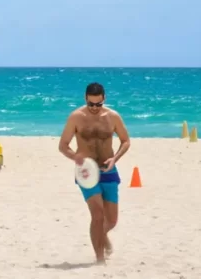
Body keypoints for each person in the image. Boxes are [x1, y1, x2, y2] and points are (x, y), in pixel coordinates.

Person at [58, 82, 131, 265]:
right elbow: (63, 146)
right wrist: (75, 157)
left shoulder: (113, 117)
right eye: (91, 104)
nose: (94, 108)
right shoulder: (76, 117)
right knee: (97, 215)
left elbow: (125, 141)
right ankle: (99, 260)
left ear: (104, 99)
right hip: (86, 173)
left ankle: (102, 235)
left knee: (112, 221)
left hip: (108, 170)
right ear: (85, 99)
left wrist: (115, 159)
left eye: (98, 104)